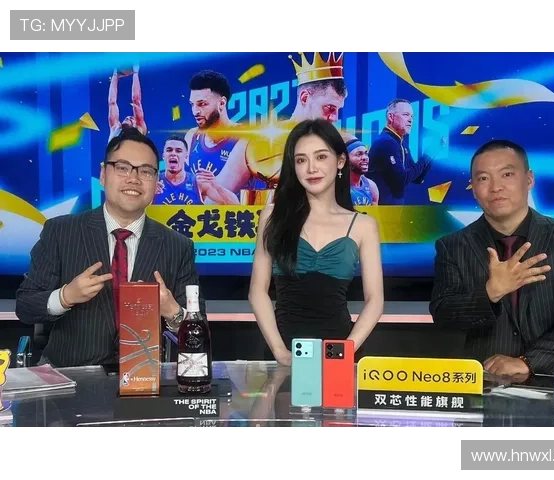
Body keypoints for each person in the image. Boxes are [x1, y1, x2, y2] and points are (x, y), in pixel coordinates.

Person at [15, 128, 206, 367]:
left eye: (146, 171)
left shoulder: (178, 246)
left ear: (156, 181)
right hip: (70, 375)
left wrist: (172, 311)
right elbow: (25, 306)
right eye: (123, 168)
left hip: (143, 378)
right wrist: (65, 296)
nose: (134, 179)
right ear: (103, 174)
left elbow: (200, 334)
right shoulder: (60, 232)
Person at [429, 139, 554, 376]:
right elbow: (444, 316)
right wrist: (490, 293)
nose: (496, 187)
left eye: (507, 174)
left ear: (529, 179)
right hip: (487, 379)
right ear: (474, 189)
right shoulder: (452, 246)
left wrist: (527, 362)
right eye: (483, 178)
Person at [248, 119, 384, 366]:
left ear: (340, 161)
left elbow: (375, 301)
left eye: (321, 157)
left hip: (341, 351)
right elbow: (258, 291)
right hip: (284, 352)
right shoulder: (273, 216)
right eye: (301, 160)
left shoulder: (363, 225)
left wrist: (344, 351)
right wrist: (280, 351)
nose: (311, 168)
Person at [212, 53, 348, 201]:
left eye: (338, 109)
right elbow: (214, 199)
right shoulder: (258, 142)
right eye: (329, 108)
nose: (335, 117)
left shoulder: (336, 147)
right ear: (304, 98)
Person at [366, 99, 432, 205]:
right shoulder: (386, 142)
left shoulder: (401, 144)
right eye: (406, 115)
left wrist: (431, 154)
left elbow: (417, 178)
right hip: (381, 210)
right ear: (390, 117)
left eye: (412, 116)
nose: (410, 120)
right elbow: (401, 180)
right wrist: (426, 157)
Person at [108, 66, 147, 143]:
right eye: (128, 118)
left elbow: (136, 100)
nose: (128, 117)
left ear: (136, 124)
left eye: (132, 118)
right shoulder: (115, 128)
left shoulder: (140, 130)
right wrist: (115, 75)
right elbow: (112, 102)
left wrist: (136, 73)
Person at [345, 137, 379, 206]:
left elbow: (374, 212)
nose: (365, 158)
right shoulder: (336, 188)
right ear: (345, 159)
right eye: (359, 154)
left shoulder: (371, 186)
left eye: (366, 153)